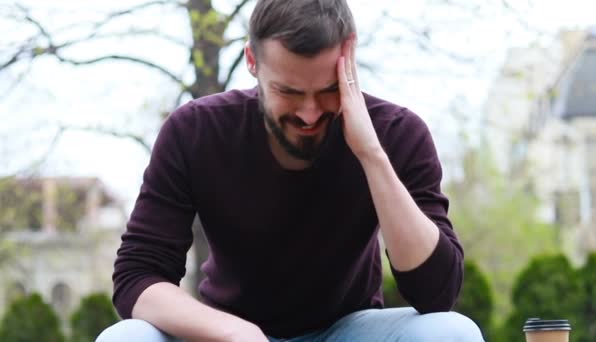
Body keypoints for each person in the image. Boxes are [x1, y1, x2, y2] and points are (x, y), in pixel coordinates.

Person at [97, 0, 484, 341]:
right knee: (126, 338)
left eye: (328, 89)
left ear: (349, 65)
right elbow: (137, 277)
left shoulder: (397, 133)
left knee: (452, 333)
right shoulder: (195, 131)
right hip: (224, 330)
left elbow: (437, 294)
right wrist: (234, 331)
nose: (310, 113)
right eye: (289, 92)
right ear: (252, 62)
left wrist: (371, 154)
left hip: (348, 329)